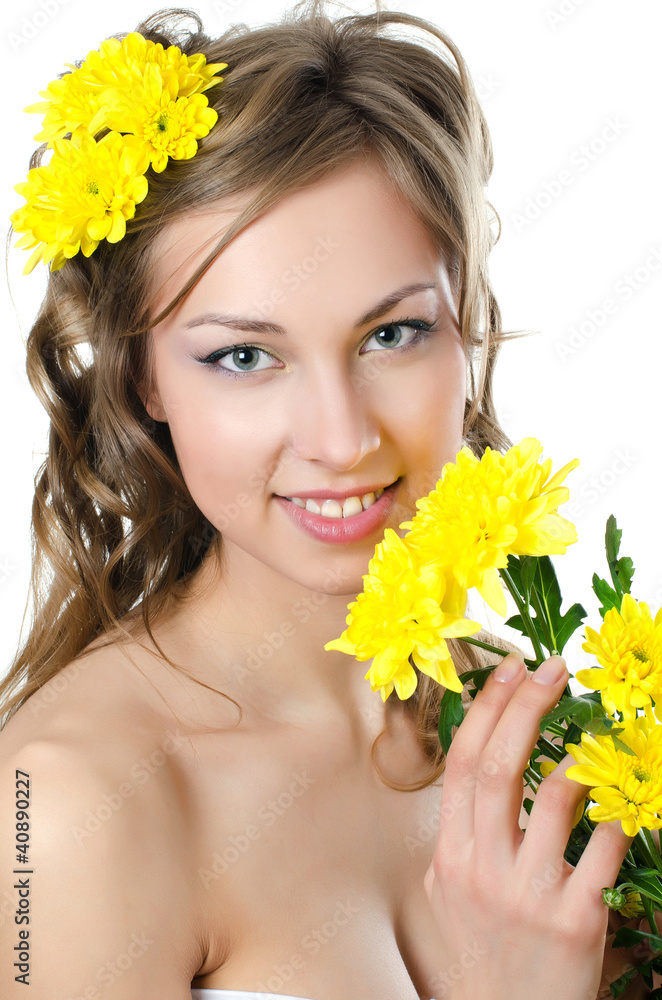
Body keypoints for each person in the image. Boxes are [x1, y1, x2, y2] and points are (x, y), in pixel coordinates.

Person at [0, 2, 655, 998]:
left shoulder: (558, 734)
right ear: (140, 379)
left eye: (392, 335)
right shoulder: (67, 808)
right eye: (243, 356)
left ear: (466, 328)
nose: (342, 440)